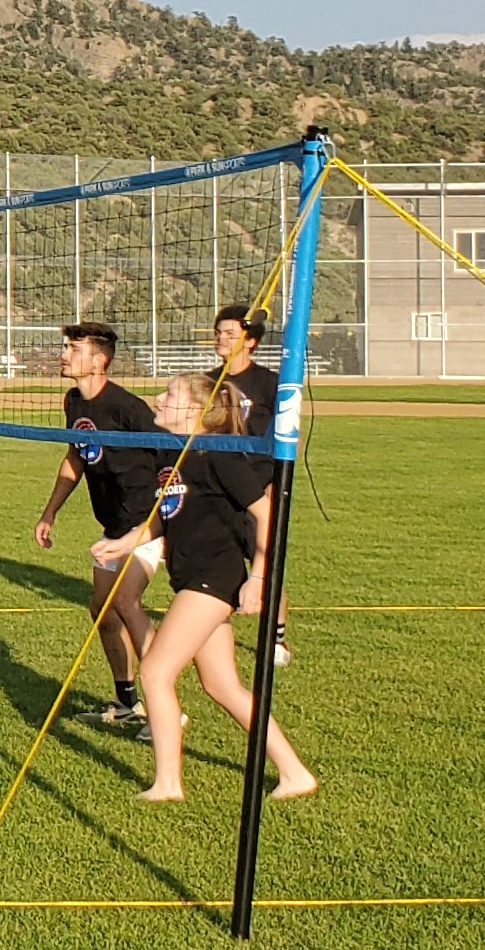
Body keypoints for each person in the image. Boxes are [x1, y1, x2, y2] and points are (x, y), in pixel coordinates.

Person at [92, 374, 315, 803]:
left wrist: (260, 577)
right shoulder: (174, 455)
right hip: (193, 578)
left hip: (214, 579)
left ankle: (168, 784)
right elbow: (166, 516)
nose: (159, 398)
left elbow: (268, 514)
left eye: (170, 394)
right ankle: (294, 773)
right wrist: (123, 542)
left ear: (194, 410)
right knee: (222, 685)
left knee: (156, 673)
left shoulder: (219, 453)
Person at [34, 322, 164, 731]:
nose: (64, 355)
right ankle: (127, 705)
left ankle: (165, 708)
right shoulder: (74, 401)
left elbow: (172, 464)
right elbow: (76, 457)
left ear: (99, 361)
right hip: (113, 526)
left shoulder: (130, 409)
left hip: (145, 524)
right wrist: (50, 511)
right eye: (66, 347)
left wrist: (161, 523)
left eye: (73, 349)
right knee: (102, 612)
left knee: (126, 604)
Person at [213, 305, 291, 667]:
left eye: (230, 333)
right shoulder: (209, 382)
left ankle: (275, 639)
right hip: (219, 488)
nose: (222, 339)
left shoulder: (269, 383)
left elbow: (288, 437)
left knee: (267, 562)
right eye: (219, 332)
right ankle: (215, 622)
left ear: (251, 341)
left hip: (258, 487)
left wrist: (274, 488)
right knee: (217, 559)